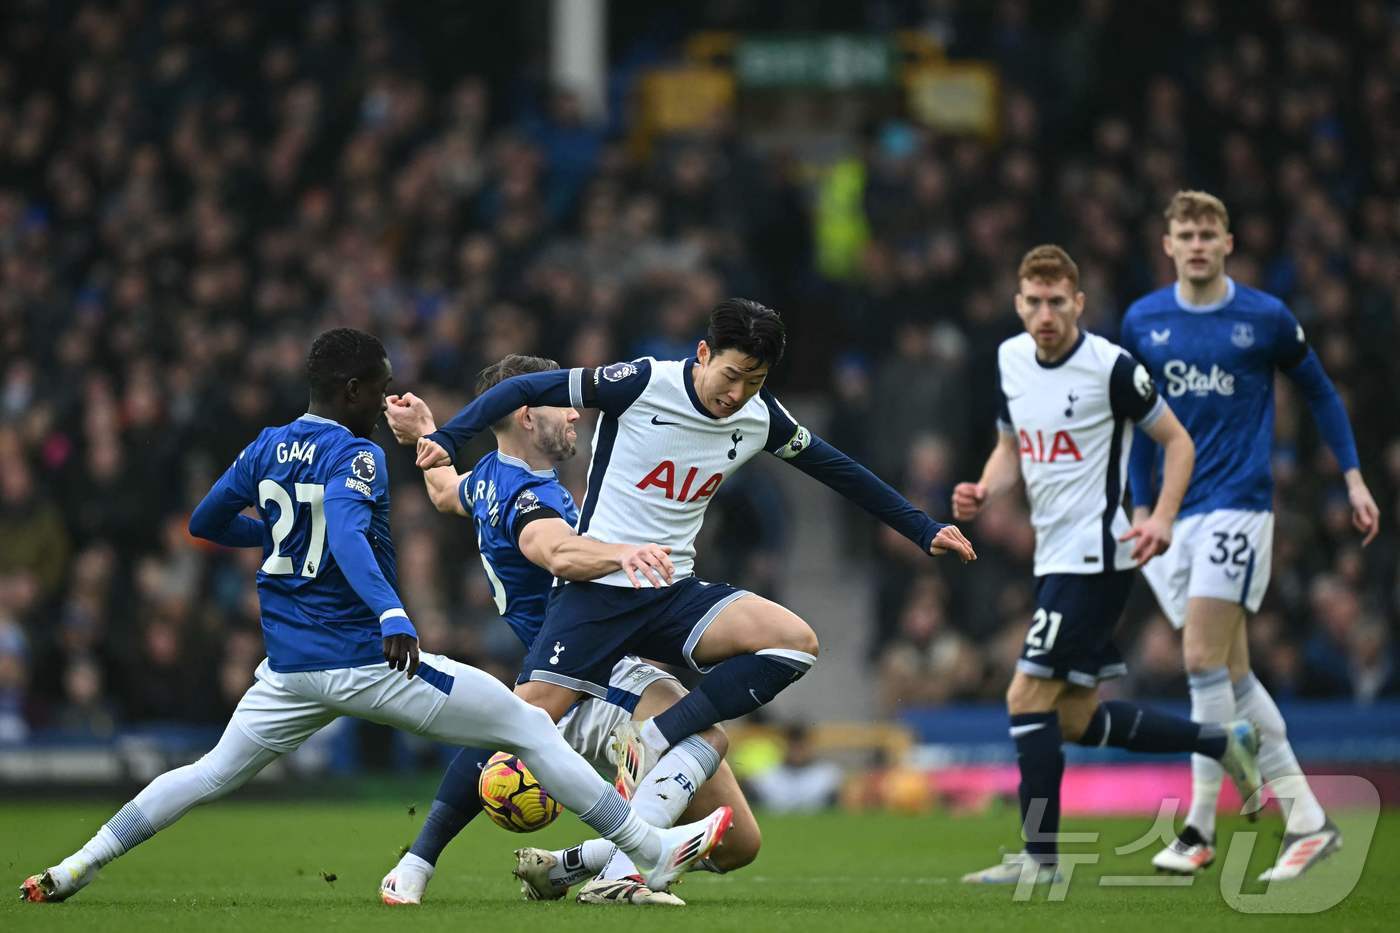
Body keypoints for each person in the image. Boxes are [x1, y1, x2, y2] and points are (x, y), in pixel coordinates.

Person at [19, 329, 729, 904]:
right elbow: (353, 539)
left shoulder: (265, 444)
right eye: (382, 384)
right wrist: (391, 610)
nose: (388, 394)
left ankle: (80, 863)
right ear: (353, 390)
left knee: (208, 772)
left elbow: (206, 520)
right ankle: (647, 847)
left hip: (288, 669)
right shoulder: (353, 453)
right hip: (366, 659)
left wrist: (275, 531)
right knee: (526, 724)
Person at [414, 298, 976, 800]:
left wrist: (923, 528)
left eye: (753, 382)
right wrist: (445, 437)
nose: (737, 395)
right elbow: (520, 388)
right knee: (524, 724)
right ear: (704, 353)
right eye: (730, 375)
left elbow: (840, 471)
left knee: (795, 644)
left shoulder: (760, 418)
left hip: (668, 589)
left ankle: (651, 743)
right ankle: (420, 858)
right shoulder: (639, 382)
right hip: (595, 592)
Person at [377, 354, 761, 907]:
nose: (579, 415)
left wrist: (425, 434)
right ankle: (622, 876)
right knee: (705, 733)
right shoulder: (533, 498)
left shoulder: (488, 476)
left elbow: (441, 490)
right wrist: (622, 552)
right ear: (527, 415)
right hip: (586, 668)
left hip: (574, 663)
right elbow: (554, 551)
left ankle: (562, 866)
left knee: (738, 845)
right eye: (565, 405)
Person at [953, 246, 1261, 885]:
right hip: (1055, 554)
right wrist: (986, 488)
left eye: (1056, 302)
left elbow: (1178, 441)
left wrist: (1163, 517)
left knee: (1024, 695)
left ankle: (1040, 861)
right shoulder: (1011, 359)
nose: (1045, 314)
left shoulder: (1111, 368)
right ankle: (1220, 740)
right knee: (1073, 718)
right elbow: (1012, 447)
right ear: (1018, 303)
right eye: (1034, 302)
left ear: (1078, 303)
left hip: (1097, 554)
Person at [1123, 192, 1380, 881]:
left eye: (1210, 233)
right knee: (1232, 676)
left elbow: (1322, 392)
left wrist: (1352, 477)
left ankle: (1201, 827)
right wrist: (1143, 508)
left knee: (1201, 655)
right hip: (1174, 516)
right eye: (1186, 233)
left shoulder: (1263, 317)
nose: (1198, 243)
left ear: (1229, 242)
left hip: (1239, 505)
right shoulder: (1144, 320)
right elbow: (1139, 424)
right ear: (1168, 243)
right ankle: (1307, 820)